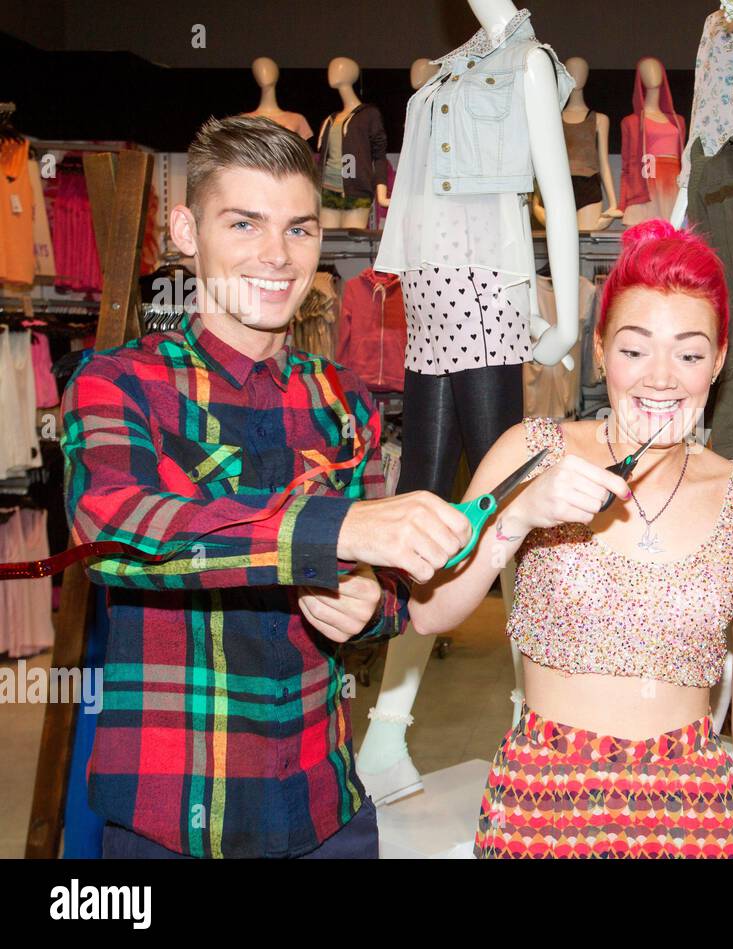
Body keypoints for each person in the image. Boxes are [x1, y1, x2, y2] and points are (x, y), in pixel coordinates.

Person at [62, 115, 471, 858]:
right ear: (187, 230)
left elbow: (390, 598)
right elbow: (115, 532)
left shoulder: (345, 402)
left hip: (328, 809)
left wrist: (369, 604)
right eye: (244, 223)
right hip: (176, 816)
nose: (277, 257)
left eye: (300, 229)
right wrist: (334, 532)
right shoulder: (119, 383)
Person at [406, 220, 733, 858]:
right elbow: (428, 611)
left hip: (695, 810)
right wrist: (518, 516)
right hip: (541, 802)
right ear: (600, 348)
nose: (660, 378)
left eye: (690, 354)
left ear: (719, 361)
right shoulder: (530, 452)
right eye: (635, 350)